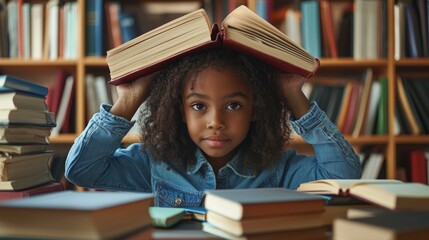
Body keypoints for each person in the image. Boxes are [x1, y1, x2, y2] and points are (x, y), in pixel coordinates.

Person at [65, 48, 361, 207]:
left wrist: (291, 93)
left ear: (255, 110)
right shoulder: (154, 165)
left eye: (233, 105)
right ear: (180, 111)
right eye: (198, 106)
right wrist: (129, 100)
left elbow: (343, 175)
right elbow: (81, 169)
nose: (215, 122)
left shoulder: (279, 169)